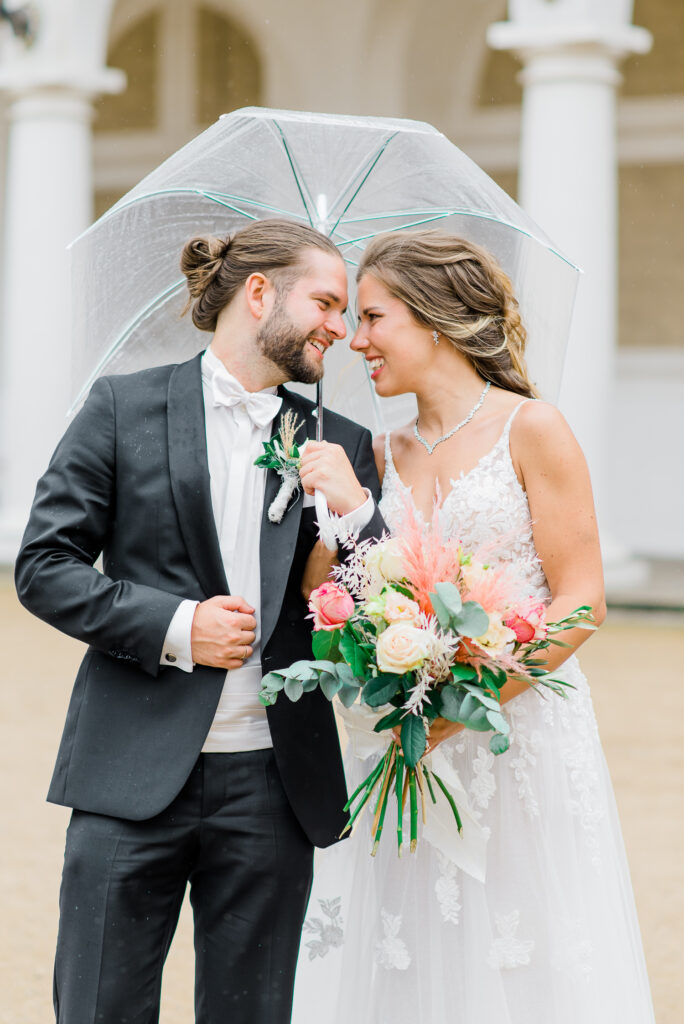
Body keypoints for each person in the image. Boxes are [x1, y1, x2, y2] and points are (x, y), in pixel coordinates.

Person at [14, 218, 386, 1024]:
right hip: (128, 776)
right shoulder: (121, 407)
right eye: (326, 302)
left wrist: (358, 513)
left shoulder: (343, 445)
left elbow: (381, 612)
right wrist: (180, 626)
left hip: (275, 784)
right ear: (259, 294)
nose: (340, 327)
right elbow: (43, 567)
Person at [292, 229, 655, 1024]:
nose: (355, 340)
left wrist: (468, 700)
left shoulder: (533, 428)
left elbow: (581, 600)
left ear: (434, 319)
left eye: (373, 318)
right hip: (405, 743)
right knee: (406, 953)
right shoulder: (372, 454)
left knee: (525, 955)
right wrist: (338, 513)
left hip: (515, 740)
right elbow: (333, 600)